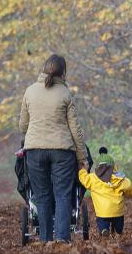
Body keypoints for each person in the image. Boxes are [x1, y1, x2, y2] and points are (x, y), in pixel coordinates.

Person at [18, 54, 88, 243]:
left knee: (42, 195)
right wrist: (82, 157)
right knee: (63, 194)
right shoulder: (65, 93)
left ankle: (45, 240)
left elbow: (22, 126)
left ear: (43, 69)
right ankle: (62, 240)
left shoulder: (30, 91)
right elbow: (75, 129)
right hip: (62, 151)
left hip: (35, 151)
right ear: (63, 72)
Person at [78, 146, 132, 236]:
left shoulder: (93, 178)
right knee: (119, 224)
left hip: (103, 211)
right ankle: (118, 231)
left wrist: (82, 170)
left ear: (98, 167)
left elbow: (84, 179)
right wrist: (130, 195)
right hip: (118, 211)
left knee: (102, 222)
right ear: (113, 166)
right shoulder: (120, 178)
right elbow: (131, 190)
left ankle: (104, 230)